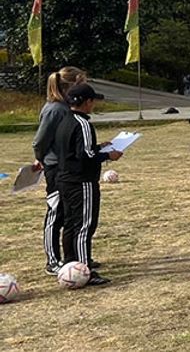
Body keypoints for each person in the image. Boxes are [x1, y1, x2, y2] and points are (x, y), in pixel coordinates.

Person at [54, 83, 122, 286]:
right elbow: (85, 156)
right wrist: (108, 155)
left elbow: (76, 150)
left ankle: (69, 261)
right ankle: (84, 268)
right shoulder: (83, 124)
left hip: (65, 179)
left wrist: (99, 146)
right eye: (92, 101)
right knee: (84, 225)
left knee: (70, 224)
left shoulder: (64, 121)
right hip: (81, 181)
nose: (93, 105)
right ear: (87, 102)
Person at [31, 66, 87, 275]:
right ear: (70, 86)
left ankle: (74, 257)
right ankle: (52, 260)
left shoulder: (66, 108)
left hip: (68, 168)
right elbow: (40, 141)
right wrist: (40, 159)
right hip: (55, 167)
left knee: (72, 213)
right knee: (56, 212)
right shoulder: (55, 110)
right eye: (81, 83)